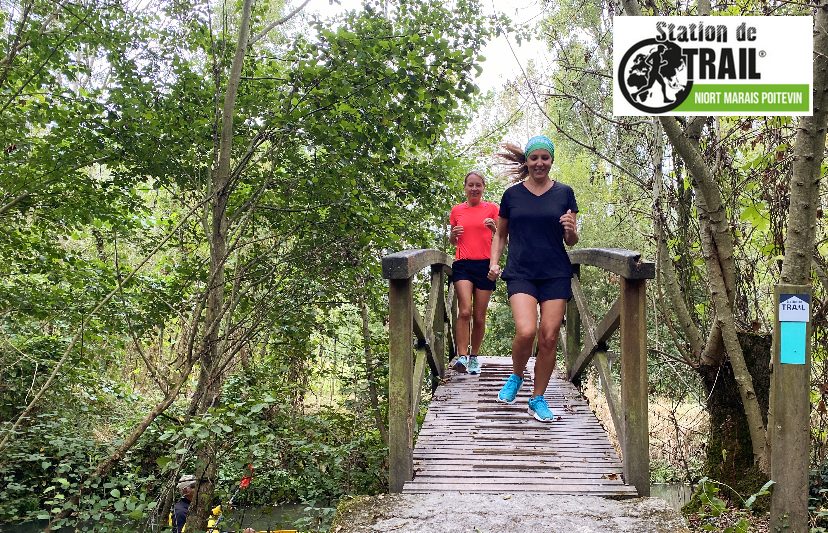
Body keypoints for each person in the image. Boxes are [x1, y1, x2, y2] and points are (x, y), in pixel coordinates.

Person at [488, 135, 578, 422]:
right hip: (521, 272)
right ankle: (516, 375)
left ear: (551, 160)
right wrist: (493, 262)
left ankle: (537, 398)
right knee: (527, 331)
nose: (539, 163)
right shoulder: (512, 195)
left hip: (555, 272)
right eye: (534, 158)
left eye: (545, 158)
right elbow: (501, 234)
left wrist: (571, 229)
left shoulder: (565, 193)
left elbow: (572, 241)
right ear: (526, 161)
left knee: (549, 337)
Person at [448, 170, 499, 375]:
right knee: (465, 311)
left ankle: (474, 357)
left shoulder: (493, 209)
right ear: (465, 187)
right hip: (463, 264)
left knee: (479, 316)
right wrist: (452, 235)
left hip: (485, 265)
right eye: (471, 185)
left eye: (478, 185)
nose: (474, 188)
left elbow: (503, 237)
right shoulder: (457, 211)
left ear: (483, 187)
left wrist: (495, 229)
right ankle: (461, 356)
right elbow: (453, 241)